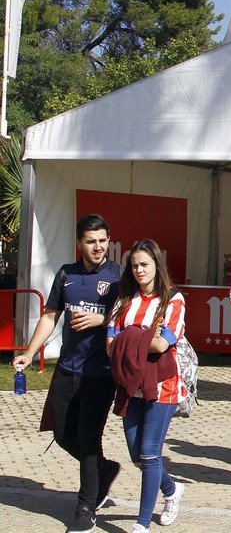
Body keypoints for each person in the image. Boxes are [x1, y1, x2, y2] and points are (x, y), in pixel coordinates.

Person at [13, 214, 122, 533]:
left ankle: (86, 506)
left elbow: (128, 317)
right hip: (67, 369)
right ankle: (104, 470)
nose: (98, 246)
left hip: (101, 372)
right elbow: (49, 316)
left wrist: (101, 321)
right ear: (80, 243)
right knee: (62, 434)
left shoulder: (118, 276)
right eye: (91, 241)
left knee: (89, 438)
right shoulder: (66, 274)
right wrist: (29, 353)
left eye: (103, 240)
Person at [106, 239, 187, 532]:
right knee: (136, 455)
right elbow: (110, 344)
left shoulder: (173, 300)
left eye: (145, 264)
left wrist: (129, 337)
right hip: (129, 385)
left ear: (157, 265)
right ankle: (172, 489)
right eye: (134, 265)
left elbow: (163, 342)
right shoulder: (124, 299)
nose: (139, 270)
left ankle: (142, 523)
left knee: (150, 453)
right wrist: (142, 337)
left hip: (162, 387)